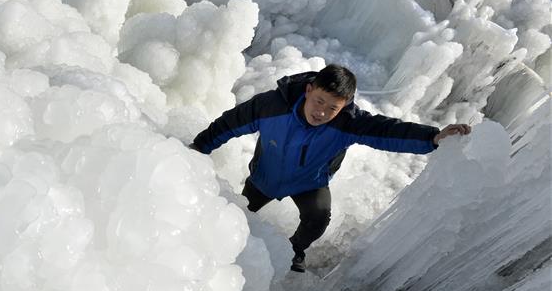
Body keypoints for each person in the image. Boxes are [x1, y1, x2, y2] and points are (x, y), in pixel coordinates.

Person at [189, 64, 471, 273]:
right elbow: (231, 123)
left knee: (318, 218)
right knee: (237, 218)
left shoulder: (347, 123)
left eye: (332, 107)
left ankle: (294, 251)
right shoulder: (272, 106)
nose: (321, 112)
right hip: (264, 177)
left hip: (309, 182)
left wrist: (432, 137)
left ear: (345, 105)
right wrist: (199, 148)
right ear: (309, 89)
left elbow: (388, 131)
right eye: (319, 101)